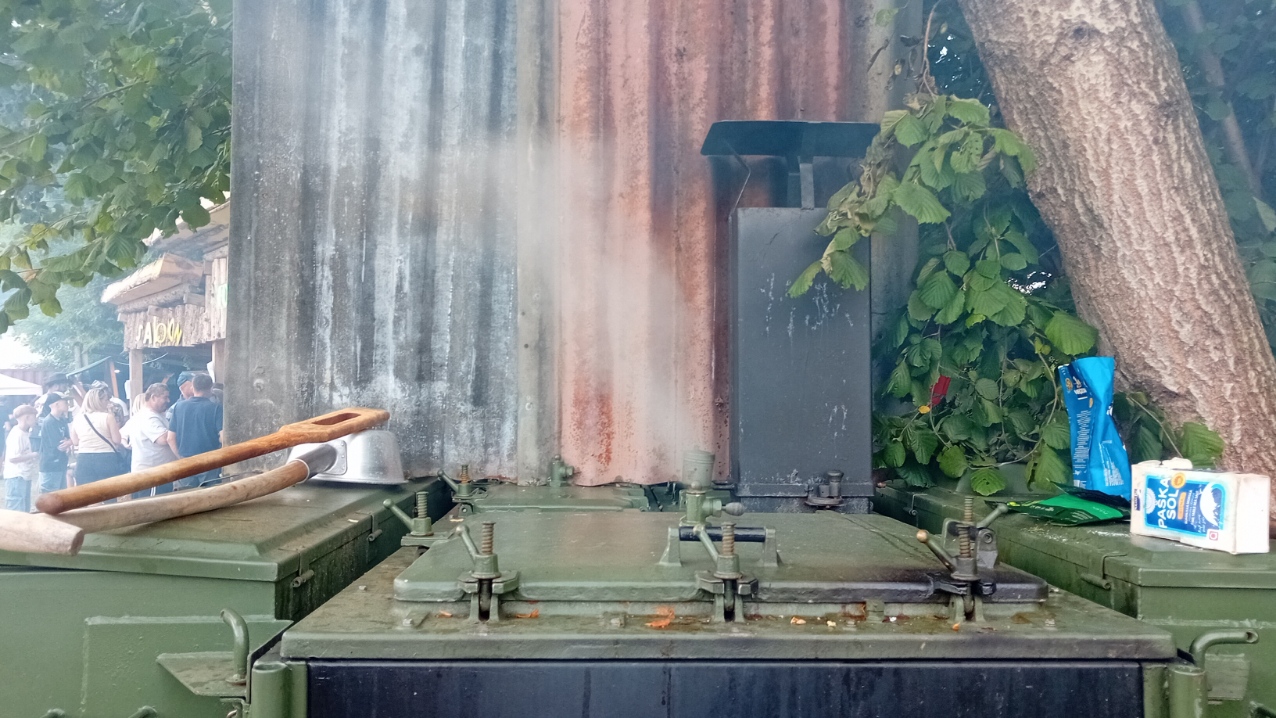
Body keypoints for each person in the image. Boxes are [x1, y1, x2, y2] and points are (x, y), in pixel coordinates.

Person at [121, 383, 180, 498]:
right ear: (153, 397)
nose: (168, 400)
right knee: (155, 507)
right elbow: (164, 439)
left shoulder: (150, 415)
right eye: (165, 397)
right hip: (152, 477)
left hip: (155, 474)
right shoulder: (148, 417)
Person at [170, 373, 223, 489]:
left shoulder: (178, 407)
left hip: (186, 461)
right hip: (209, 461)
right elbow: (223, 437)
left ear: (192, 387)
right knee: (210, 496)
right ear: (211, 388)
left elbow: (170, 438)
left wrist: (180, 457)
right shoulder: (216, 408)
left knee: (187, 497)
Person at [70, 387, 128, 489]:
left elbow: (75, 442)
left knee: (85, 493)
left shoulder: (78, 418)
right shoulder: (108, 417)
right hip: (106, 458)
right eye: (106, 400)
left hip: (84, 458)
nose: (108, 402)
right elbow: (117, 440)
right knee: (108, 493)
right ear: (98, 401)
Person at [36, 392, 74, 495]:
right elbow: (60, 446)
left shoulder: (62, 420)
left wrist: (69, 442)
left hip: (61, 464)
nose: (67, 403)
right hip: (51, 466)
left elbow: (68, 438)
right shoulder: (49, 421)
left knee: (61, 497)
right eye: (65, 401)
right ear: (56, 404)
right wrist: (69, 442)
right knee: (50, 497)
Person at [3, 405, 40, 512]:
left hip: (24, 475)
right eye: (34, 417)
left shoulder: (25, 433)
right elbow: (13, 458)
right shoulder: (17, 434)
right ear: (27, 417)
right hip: (16, 476)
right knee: (17, 510)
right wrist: (33, 455)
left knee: (24, 510)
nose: (36, 419)